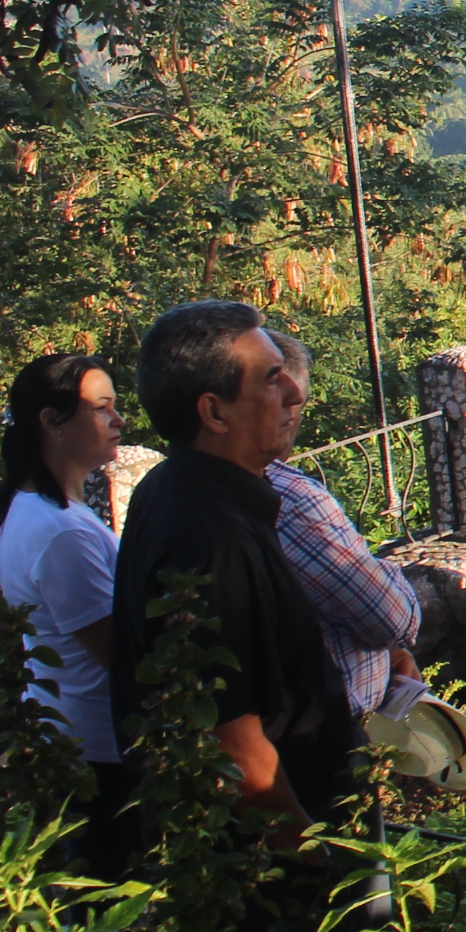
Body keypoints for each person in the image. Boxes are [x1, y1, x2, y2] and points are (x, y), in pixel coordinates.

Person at [109, 300, 358, 839]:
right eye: (272, 380)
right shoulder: (211, 537)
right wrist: (314, 855)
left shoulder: (176, 488)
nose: (295, 394)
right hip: (271, 861)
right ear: (214, 413)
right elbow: (232, 738)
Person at [0, 353, 140, 879]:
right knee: (105, 909)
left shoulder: (35, 511)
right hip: (96, 750)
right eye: (102, 409)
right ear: (52, 422)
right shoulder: (62, 532)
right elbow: (117, 653)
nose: (118, 421)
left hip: (69, 737)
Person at [262, 332, 423, 719]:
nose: (294, 406)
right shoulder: (290, 499)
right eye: (275, 388)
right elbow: (393, 617)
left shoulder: (165, 487)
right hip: (320, 735)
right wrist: (379, 567)